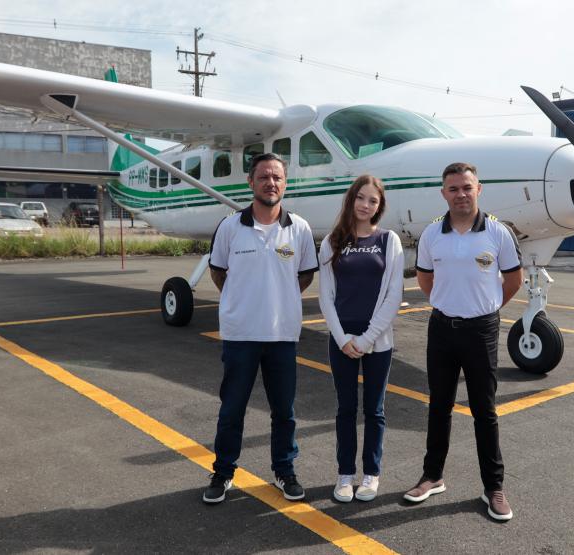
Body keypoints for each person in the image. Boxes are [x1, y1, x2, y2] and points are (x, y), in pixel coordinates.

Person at [404, 162, 523, 522]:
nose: (460, 194)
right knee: (438, 406)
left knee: (484, 411)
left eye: (466, 187)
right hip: (441, 328)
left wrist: (483, 310)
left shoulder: (498, 233)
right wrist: (451, 305)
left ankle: (494, 487)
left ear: (478, 189)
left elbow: (513, 279)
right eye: (453, 189)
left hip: (481, 331)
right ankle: (432, 476)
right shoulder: (431, 235)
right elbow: (426, 280)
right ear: (444, 194)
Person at [202, 153, 318, 504]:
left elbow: (305, 274)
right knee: (232, 409)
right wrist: (244, 300)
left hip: (282, 335)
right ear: (250, 182)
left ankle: (284, 470)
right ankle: (223, 473)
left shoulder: (299, 228)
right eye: (264, 177)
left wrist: (277, 299)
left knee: (284, 411)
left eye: (278, 177)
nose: (271, 183)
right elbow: (219, 271)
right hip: (240, 336)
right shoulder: (229, 227)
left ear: (285, 184)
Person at [318, 175, 404, 503]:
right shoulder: (332, 241)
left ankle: (371, 474)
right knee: (345, 409)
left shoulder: (389, 241)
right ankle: (344, 475)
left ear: (379, 207)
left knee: (375, 409)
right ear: (351, 199)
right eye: (361, 198)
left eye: (373, 201)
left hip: (377, 341)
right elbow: (325, 296)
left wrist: (367, 339)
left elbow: (394, 296)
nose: (366, 205)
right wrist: (342, 339)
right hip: (342, 340)